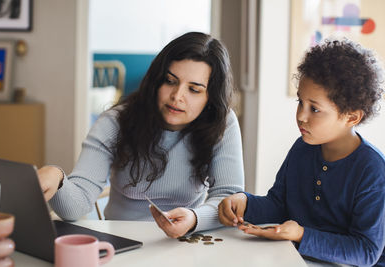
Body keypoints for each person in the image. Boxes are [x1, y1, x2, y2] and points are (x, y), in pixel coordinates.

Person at [38, 32, 244, 238]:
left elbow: (228, 200)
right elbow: (78, 205)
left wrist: (194, 219)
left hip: (188, 240)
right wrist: (58, 179)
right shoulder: (114, 122)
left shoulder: (222, 123)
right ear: (156, 80)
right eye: (170, 81)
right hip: (122, 240)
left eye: (194, 89)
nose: (177, 96)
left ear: (210, 98)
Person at [218, 39, 385, 266]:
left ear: (352, 117)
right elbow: (278, 205)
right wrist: (245, 202)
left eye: (314, 109)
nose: (301, 116)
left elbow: (365, 251)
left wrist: (301, 235)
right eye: (300, 102)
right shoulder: (302, 148)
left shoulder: (373, 170)